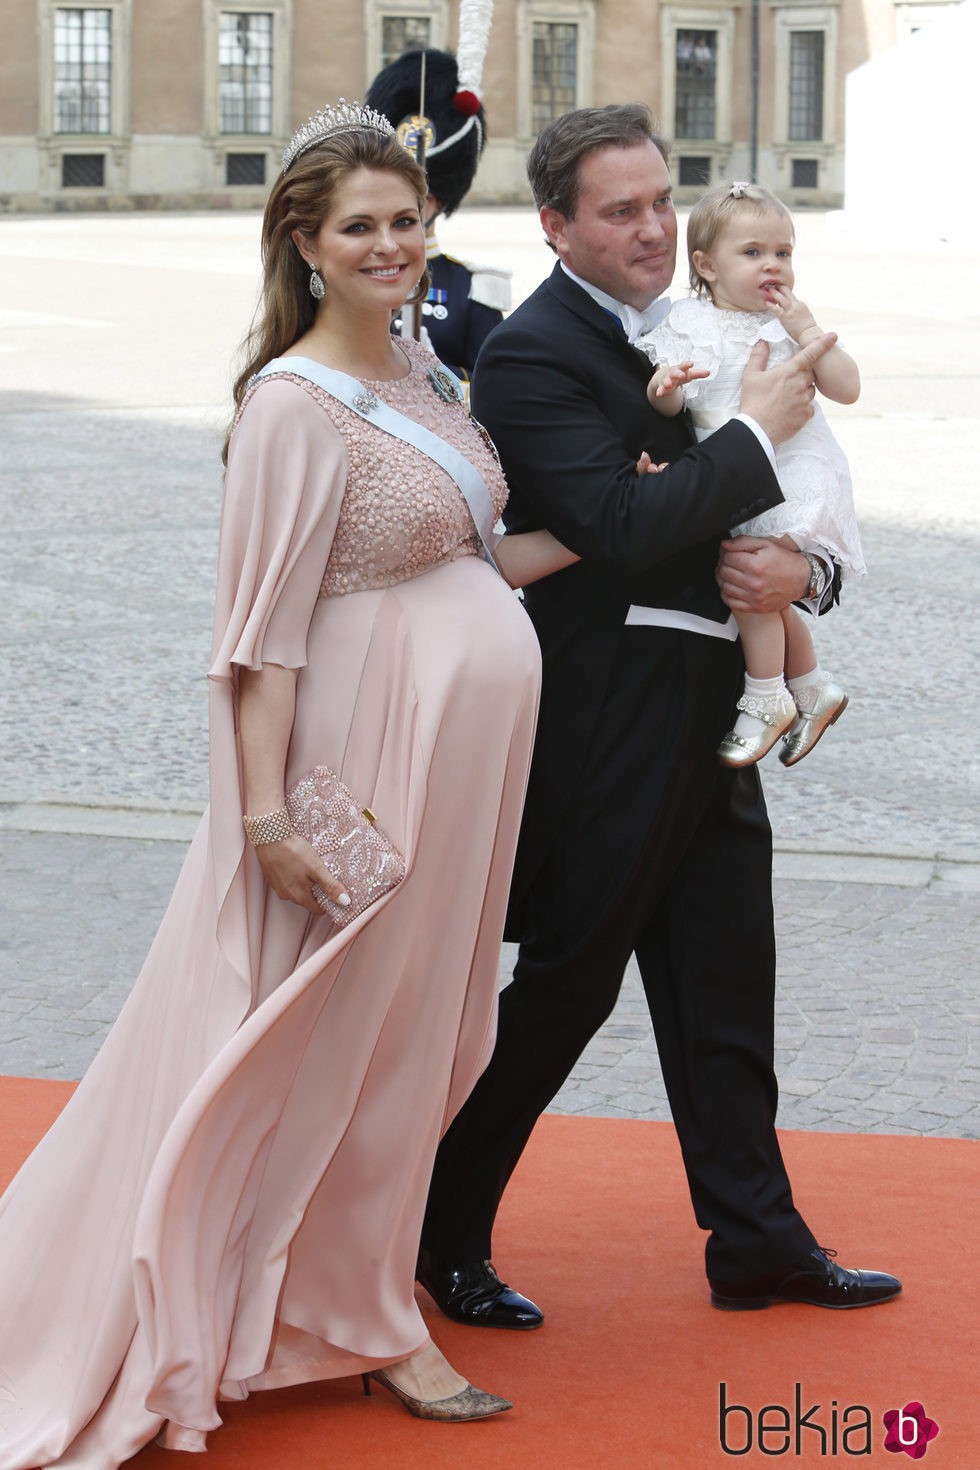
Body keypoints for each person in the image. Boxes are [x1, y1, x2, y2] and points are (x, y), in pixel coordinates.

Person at [0, 102, 545, 1469]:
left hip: (459, 768)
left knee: (420, 1040)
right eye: (358, 225)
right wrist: (270, 821)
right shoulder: (295, 406)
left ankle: (330, 1293)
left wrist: (652, 512)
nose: (389, 243)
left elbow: (469, 560)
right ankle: (363, 1318)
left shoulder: (424, 377)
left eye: (406, 220)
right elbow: (256, 645)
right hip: (359, 772)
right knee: (338, 1048)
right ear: (304, 243)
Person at [417, 104, 901, 1329]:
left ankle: (754, 1240)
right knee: (568, 988)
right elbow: (620, 527)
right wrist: (748, 432)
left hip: (712, 710)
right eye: (618, 209)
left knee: (727, 980)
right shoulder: (531, 354)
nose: (648, 226)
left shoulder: (706, 322)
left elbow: (793, 502)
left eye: (657, 200)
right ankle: (437, 1233)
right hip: (610, 723)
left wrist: (807, 580)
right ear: (555, 226)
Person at [640, 180, 866, 767]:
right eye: (753, 252)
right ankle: (812, 688)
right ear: (705, 265)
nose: (773, 265)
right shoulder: (685, 319)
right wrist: (664, 389)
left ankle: (766, 696)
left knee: (748, 583)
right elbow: (669, 400)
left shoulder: (785, 325)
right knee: (759, 586)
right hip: (736, 468)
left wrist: (812, 334)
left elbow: (847, 388)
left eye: (783, 252)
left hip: (796, 469)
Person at [366, 47, 511, 381]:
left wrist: (441, 379)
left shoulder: (473, 288)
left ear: (440, 200)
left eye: (421, 198)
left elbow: (494, 391)